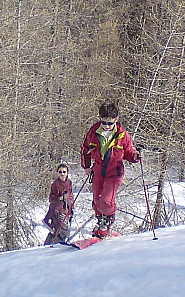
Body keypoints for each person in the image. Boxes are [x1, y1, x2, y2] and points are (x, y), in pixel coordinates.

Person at [80, 102, 140, 238]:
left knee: (106, 201)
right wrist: (86, 166)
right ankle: (100, 222)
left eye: (110, 123)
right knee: (96, 200)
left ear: (116, 119)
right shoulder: (93, 132)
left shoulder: (122, 135)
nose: (107, 126)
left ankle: (108, 219)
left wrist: (135, 157)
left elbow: (129, 152)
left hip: (114, 171)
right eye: (104, 122)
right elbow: (84, 149)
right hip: (98, 169)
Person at [43, 163, 75, 245]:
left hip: (67, 209)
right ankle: (56, 244)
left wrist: (71, 207)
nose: (62, 174)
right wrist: (60, 198)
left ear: (67, 173)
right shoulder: (55, 184)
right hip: (57, 210)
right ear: (57, 173)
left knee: (60, 229)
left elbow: (71, 196)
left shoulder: (69, 183)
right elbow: (51, 198)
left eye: (64, 172)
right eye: (60, 172)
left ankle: (50, 243)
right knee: (62, 229)